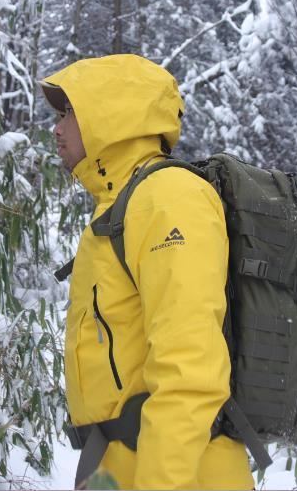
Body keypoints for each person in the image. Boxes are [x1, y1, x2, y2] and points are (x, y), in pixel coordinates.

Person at [41, 54, 254, 490]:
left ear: (112, 112)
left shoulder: (168, 198)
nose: (57, 129)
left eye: (69, 112)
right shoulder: (120, 207)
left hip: (181, 473)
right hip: (119, 467)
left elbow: (189, 370)